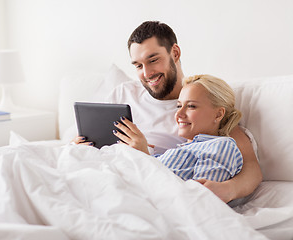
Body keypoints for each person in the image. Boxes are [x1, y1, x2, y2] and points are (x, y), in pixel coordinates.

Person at [75, 21, 262, 203]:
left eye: (153, 60)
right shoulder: (122, 93)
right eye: (138, 66)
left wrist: (229, 189)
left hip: (142, 186)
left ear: (175, 53)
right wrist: (79, 147)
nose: (147, 73)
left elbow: (251, 168)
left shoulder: (200, 103)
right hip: (102, 174)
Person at [113, 74, 244, 183]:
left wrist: (145, 158)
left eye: (191, 106)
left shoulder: (221, 147)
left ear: (219, 114)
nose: (179, 114)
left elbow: (199, 198)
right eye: (179, 106)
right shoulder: (177, 150)